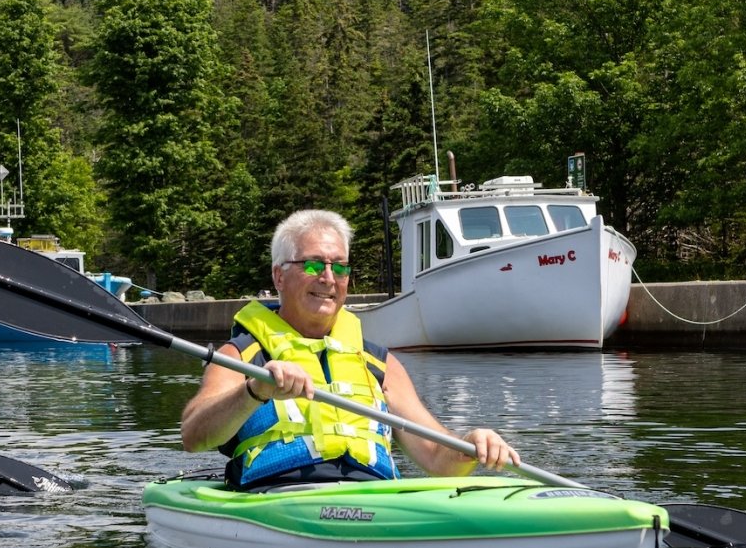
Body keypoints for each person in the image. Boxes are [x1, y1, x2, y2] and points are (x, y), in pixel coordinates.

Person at [181, 209, 520, 488]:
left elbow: (436, 458)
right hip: (279, 497)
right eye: (313, 265)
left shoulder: (379, 364)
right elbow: (194, 435)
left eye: (340, 267)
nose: (329, 278)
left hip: (372, 500)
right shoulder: (242, 356)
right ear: (279, 276)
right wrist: (254, 391)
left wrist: (471, 445)